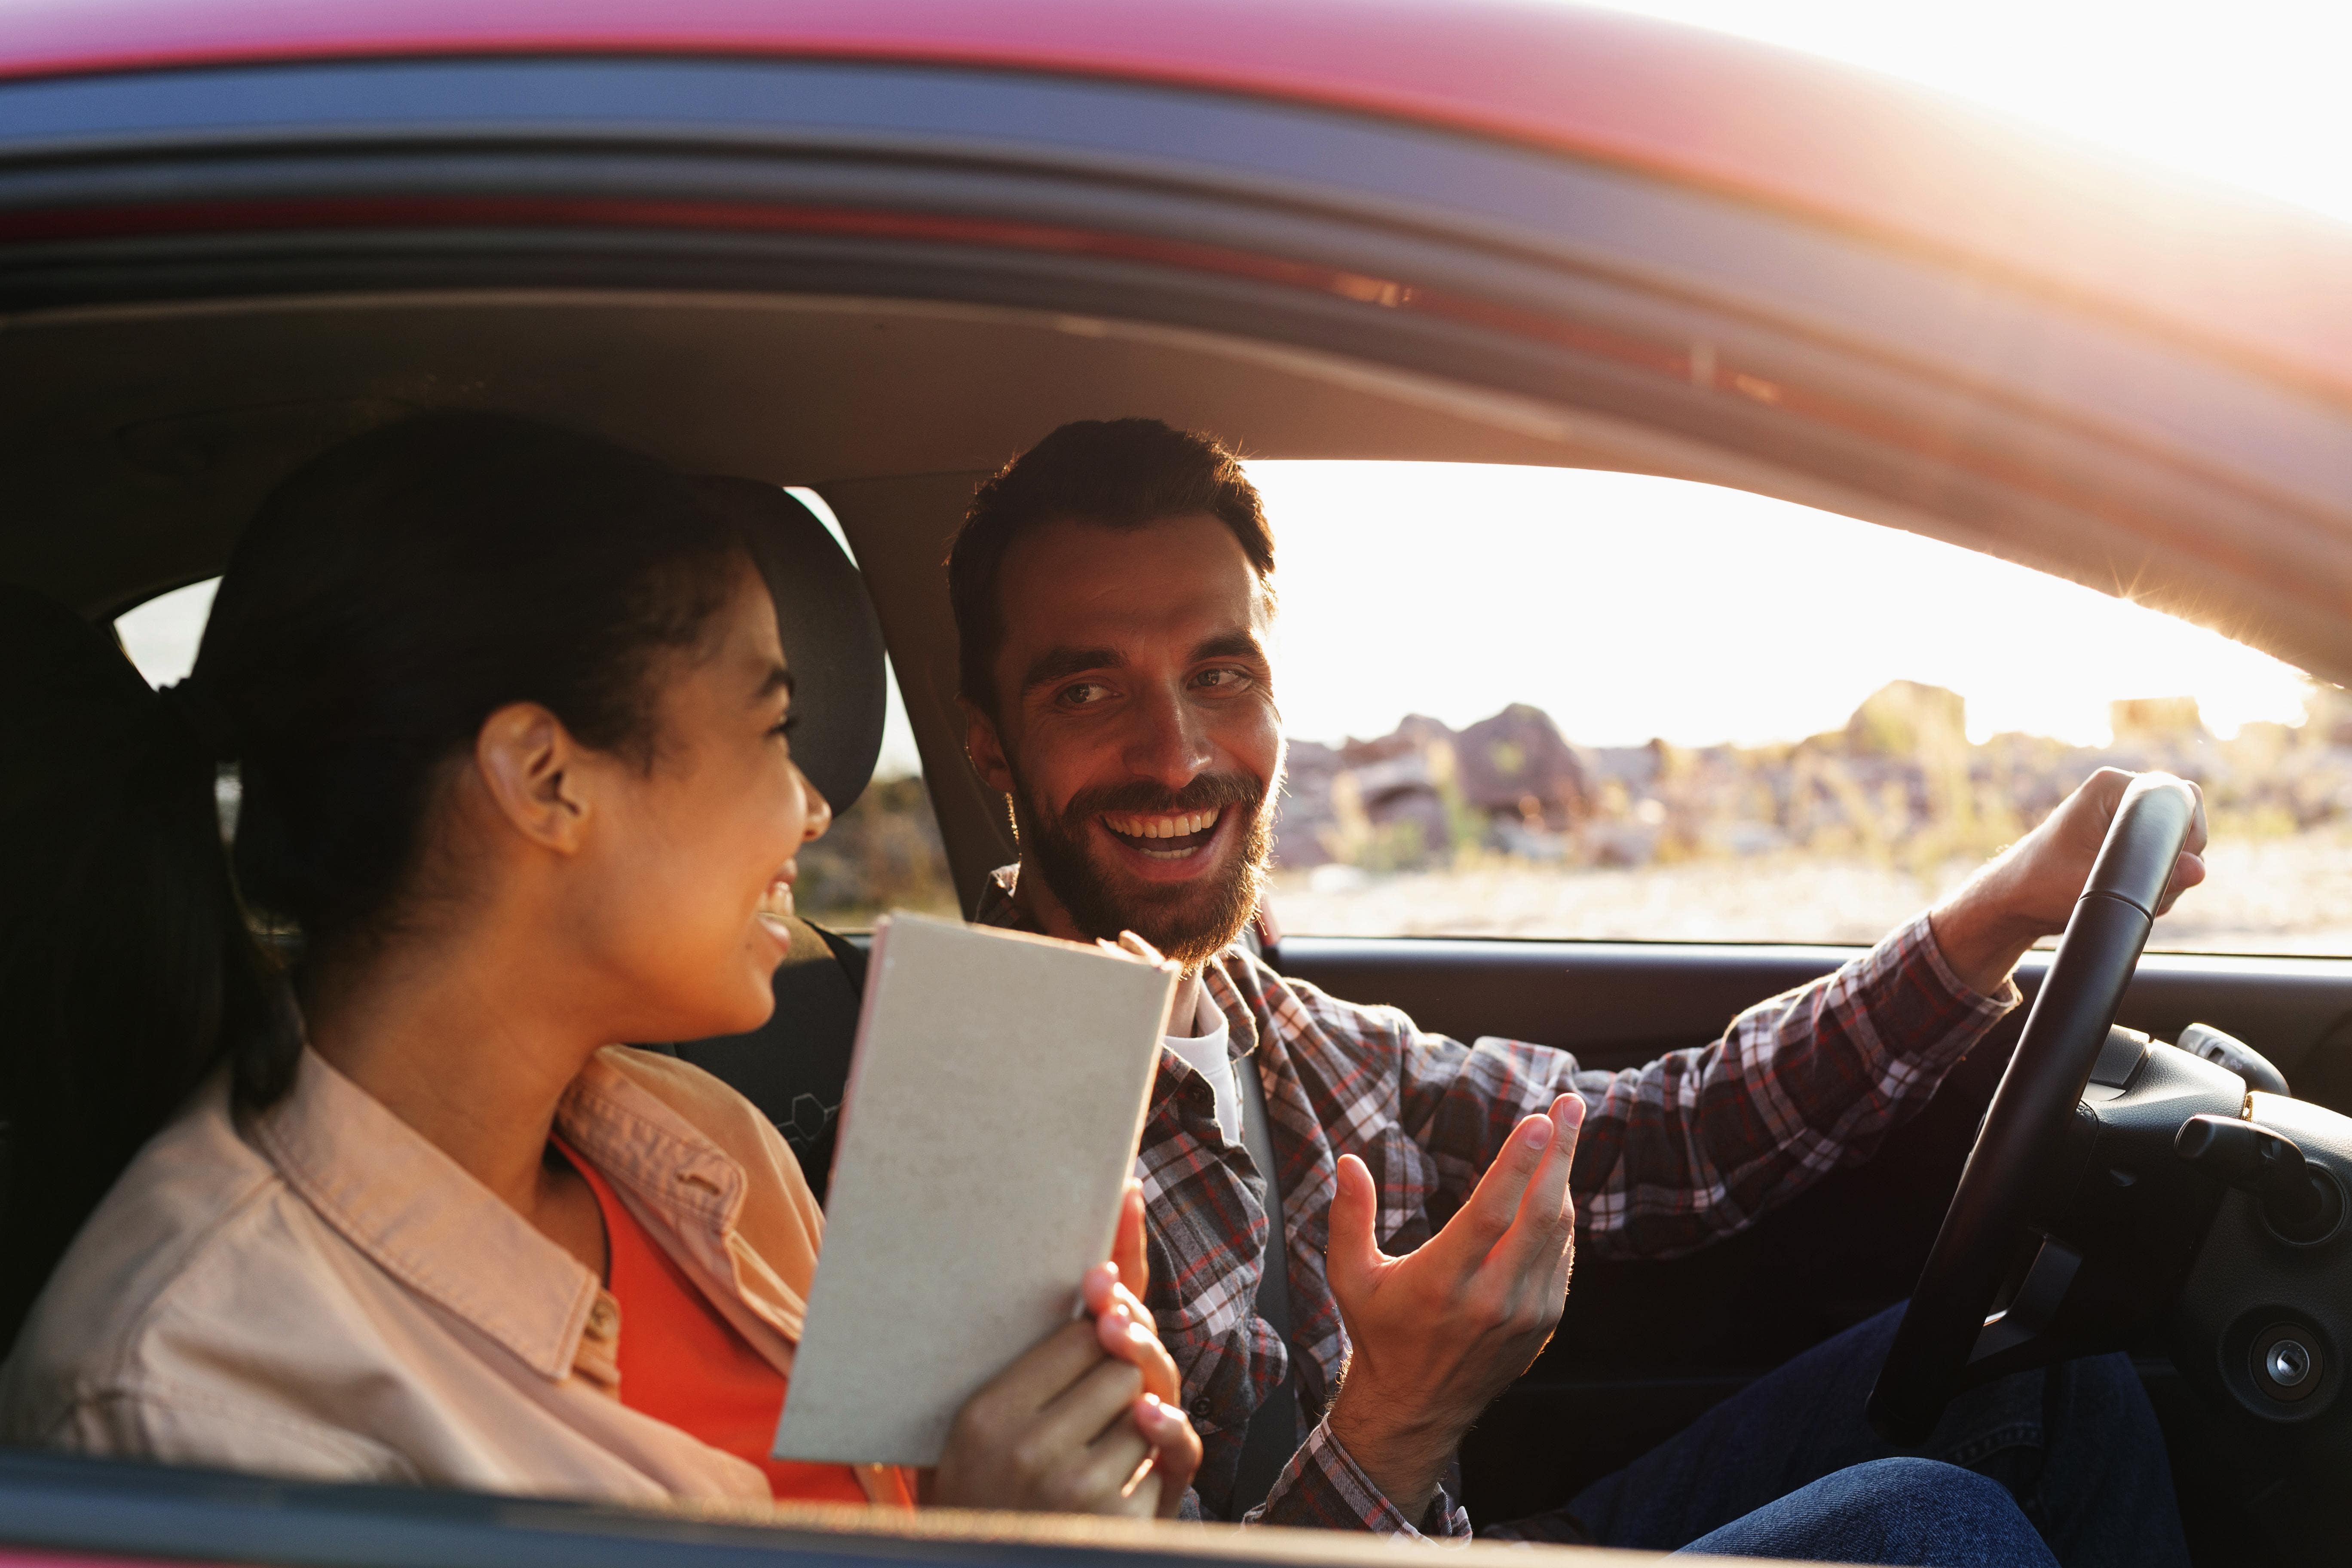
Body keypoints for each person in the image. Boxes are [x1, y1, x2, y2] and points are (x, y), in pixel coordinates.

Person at [941, 417, 2201, 1564]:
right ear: (990, 742)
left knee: (2050, 1371)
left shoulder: (1286, 1031)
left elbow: (1665, 1137)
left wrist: (1992, 917)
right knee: (1937, 1531)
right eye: (1088, 690)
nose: (1178, 755)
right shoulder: (953, 1126)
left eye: (1220, 675)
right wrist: (1398, 1423)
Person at [0, 413, 1198, 1517]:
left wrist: (1043, 1470)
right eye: (772, 730)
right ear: (546, 779)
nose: (812, 809)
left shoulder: (708, 1145)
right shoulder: (189, 1397)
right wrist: (988, 1550)